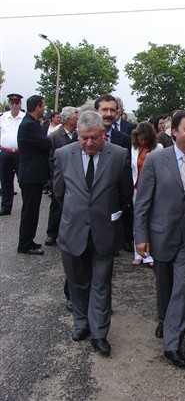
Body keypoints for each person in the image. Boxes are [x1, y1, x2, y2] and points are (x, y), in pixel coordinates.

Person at [134, 110, 185, 368]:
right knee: (165, 284)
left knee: (183, 288)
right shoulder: (156, 160)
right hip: (161, 234)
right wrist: (141, 236)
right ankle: (164, 319)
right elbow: (143, 201)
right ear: (174, 131)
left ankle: (173, 343)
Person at [53, 111, 133, 356]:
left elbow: (124, 193)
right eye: (83, 138)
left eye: (94, 138)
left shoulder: (118, 155)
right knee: (77, 283)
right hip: (72, 231)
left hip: (104, 233)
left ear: (103, 134)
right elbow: (58, 192)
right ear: (77, 133)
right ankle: (81, 323)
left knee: (101, 285)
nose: (89, 143)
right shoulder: (62, 154)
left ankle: (99, 333)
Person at [93, 95, 133, 252]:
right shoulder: (81, 137)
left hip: (112, 202)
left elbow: (125, 175)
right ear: (95, 111)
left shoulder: (124, 139)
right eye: (105, 109)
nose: (109, 114)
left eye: (112, 110)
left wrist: (122, 204)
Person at [17, 95, 52, 255]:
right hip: (31, 175)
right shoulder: (28, 125)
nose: (44, 109)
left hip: (33, 175)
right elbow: (45, 143)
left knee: (32, 211)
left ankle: (28, 240)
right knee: (29, 211)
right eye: (43, 106)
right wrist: (50, 138)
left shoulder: (32, 123)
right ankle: (25, 244)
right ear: (38, 107)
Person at [44, 106, 79, 246]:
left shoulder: (78, 136)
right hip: (59, 178)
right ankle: (52, 234)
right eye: (76, 118)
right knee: (57, 206)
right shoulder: (54, 137)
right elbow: (51, 160)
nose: (78, 121)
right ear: (69, 120)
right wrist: (55, 179)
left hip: (76, 178)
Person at [130, 121, 163, 266]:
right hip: (136, 189)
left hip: (153, 189)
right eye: (140, 138)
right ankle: (138, 253)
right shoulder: (133, 148)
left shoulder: (159, 148)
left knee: (152, 219)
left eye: (145, 139)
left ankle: (150, 256)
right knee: (138, 219)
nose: (142, 141)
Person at [0, 93, 25, 216]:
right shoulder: (2, 117)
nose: (14, 105)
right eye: (12, 103)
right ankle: (5, 207)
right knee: (6, 181)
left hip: (20, 154)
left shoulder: (25, 117)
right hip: (5, 153)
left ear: (20, 104)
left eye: (17, 103)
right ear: (9, 104)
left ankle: (26, 207)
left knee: (23, 180)